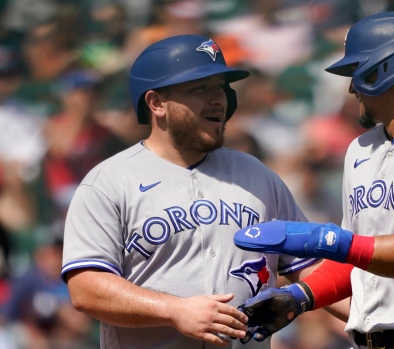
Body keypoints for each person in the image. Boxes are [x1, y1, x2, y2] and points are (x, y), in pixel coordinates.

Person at [233, 11, 394, 349]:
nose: (351, 87)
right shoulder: (361, 149)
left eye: (357, 72)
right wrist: (300, 296)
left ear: (384, 70)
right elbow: (360, 258)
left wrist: (326, 240)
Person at [60, 34, 320, 349]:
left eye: (221, 86)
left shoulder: (258, 175)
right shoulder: (108, 182)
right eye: (199, 88)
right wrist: (174, 310)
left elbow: (312, 268)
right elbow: (86, 289)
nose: (218, 99)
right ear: (156, 103)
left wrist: (377, 327)